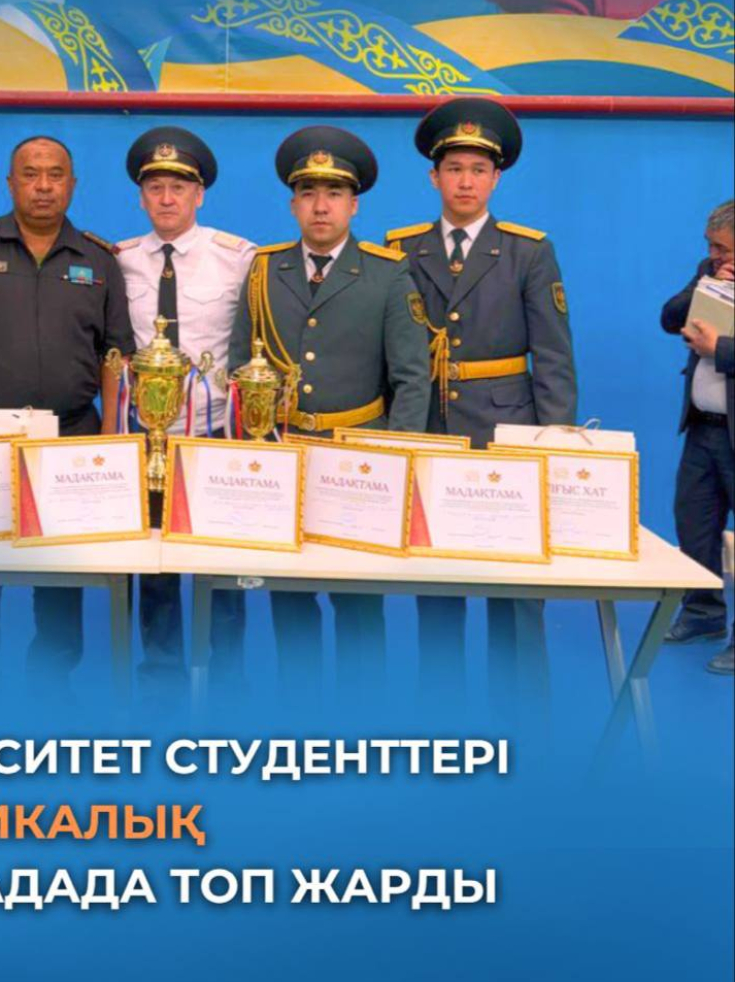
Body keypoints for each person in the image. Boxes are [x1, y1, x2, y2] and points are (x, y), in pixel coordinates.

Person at [0, 136, 135, 691]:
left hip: (70, 435)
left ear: (72, 185)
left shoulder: (99, 261)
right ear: (10, 183)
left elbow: (115, 354)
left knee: (61, 571)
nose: (43, 186)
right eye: (30, 174)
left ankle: (51, 686)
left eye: (55, 175)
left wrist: (110, 436)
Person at [385, 97, 577, 708]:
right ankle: (440, 715)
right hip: (430, 428)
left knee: (514, 587)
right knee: (435, 581)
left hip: (507, 433)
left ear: (496, 178)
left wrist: (554, 447)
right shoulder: (400, 249)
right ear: (433, 177)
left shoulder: (528, 251)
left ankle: (523, 720)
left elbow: (553, 356)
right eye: (454, 169)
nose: (465, 181)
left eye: (477, 170)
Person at [229, 126, 431, 701]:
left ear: (354, 204)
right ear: (293, 203)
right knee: (288, 596)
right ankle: (299, 714)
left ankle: (362, 715)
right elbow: (242, 366)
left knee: (358, 598)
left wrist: (395, 459)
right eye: (309, 193)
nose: (321, 206)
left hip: (359, 455)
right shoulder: (265, 270)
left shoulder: (388, 273)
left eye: (335, 194)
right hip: (284, 452)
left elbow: (411, 377)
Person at [115, 127, 254, 697]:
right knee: (153, 566)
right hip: (144, 434)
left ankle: (228, 682)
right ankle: (161, 680)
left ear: (200, 194)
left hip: (214, 431)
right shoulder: (120, 260)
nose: (167, 199)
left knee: (224, 565)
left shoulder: (238, 258)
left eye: (179, 187)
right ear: (141, 197)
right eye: (155, 188)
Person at [662, 198, 734, 675]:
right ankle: (703, 613)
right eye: (711, 246)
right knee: (695, 525)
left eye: (723, 249)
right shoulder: (707, 272)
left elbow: (714, 347)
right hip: (703, 429)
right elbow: (670, 318)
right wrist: (706, 287)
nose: (714, 255)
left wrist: (721, 349)